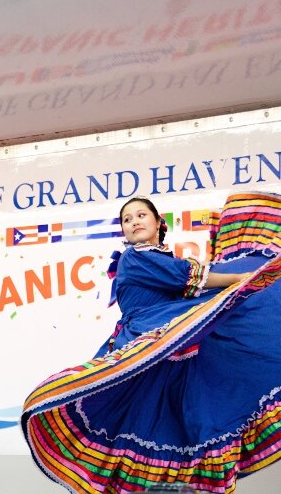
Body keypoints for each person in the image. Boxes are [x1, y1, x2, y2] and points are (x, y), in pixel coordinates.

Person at [21, 192, 281, 493]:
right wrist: (244, 277)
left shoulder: (158, 259)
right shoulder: (135, 258)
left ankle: (189, 480)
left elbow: (192, 282)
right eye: (127, 220)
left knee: (183, 418)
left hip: (173, 343)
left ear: (159, 222)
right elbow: (193, 277)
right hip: (151, 340)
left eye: (140, 215)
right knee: (150, 418)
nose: (133, 222)